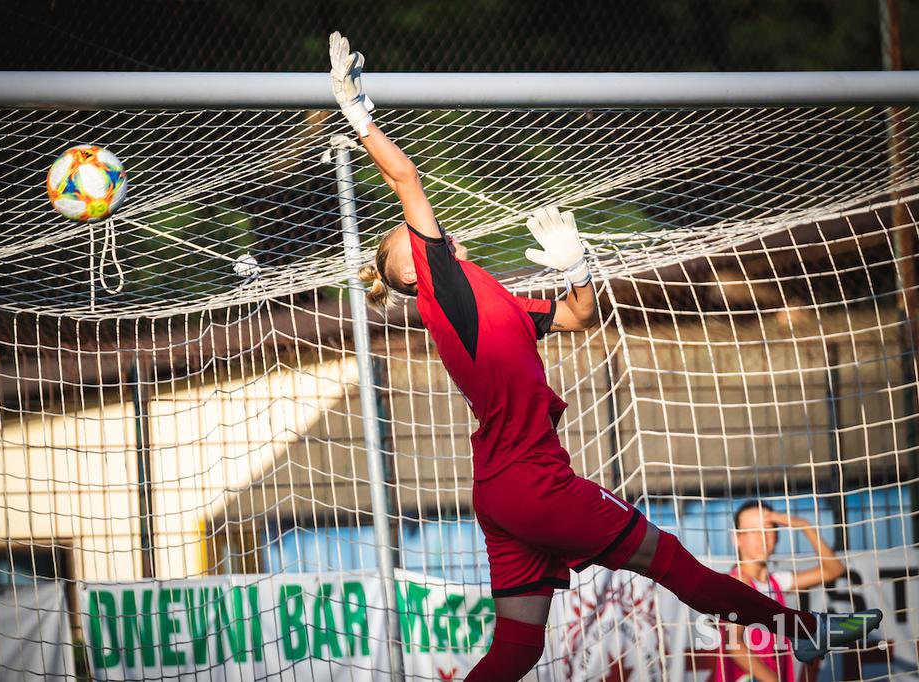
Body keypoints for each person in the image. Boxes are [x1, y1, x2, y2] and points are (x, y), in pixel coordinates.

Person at [326, 32, 882, 681]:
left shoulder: (490, 302)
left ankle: (804, 627)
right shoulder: (444, 291)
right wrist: (358, 111)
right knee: (671, 560)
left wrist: (578, 267)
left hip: (501, 492)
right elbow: (406, 177)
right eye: (413, 241)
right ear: (417, 268)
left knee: (518, 649)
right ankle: (801, 627)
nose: (430, 231)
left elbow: (578, 314)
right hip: (534, 484)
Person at [716, 501, 848, 682]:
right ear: (736, 538)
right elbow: (734, 645)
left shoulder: (775, 582)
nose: (762, 537)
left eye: (768, 529)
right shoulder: (738, 582)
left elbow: (834, 570)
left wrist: (804, 526)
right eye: (753, 530)